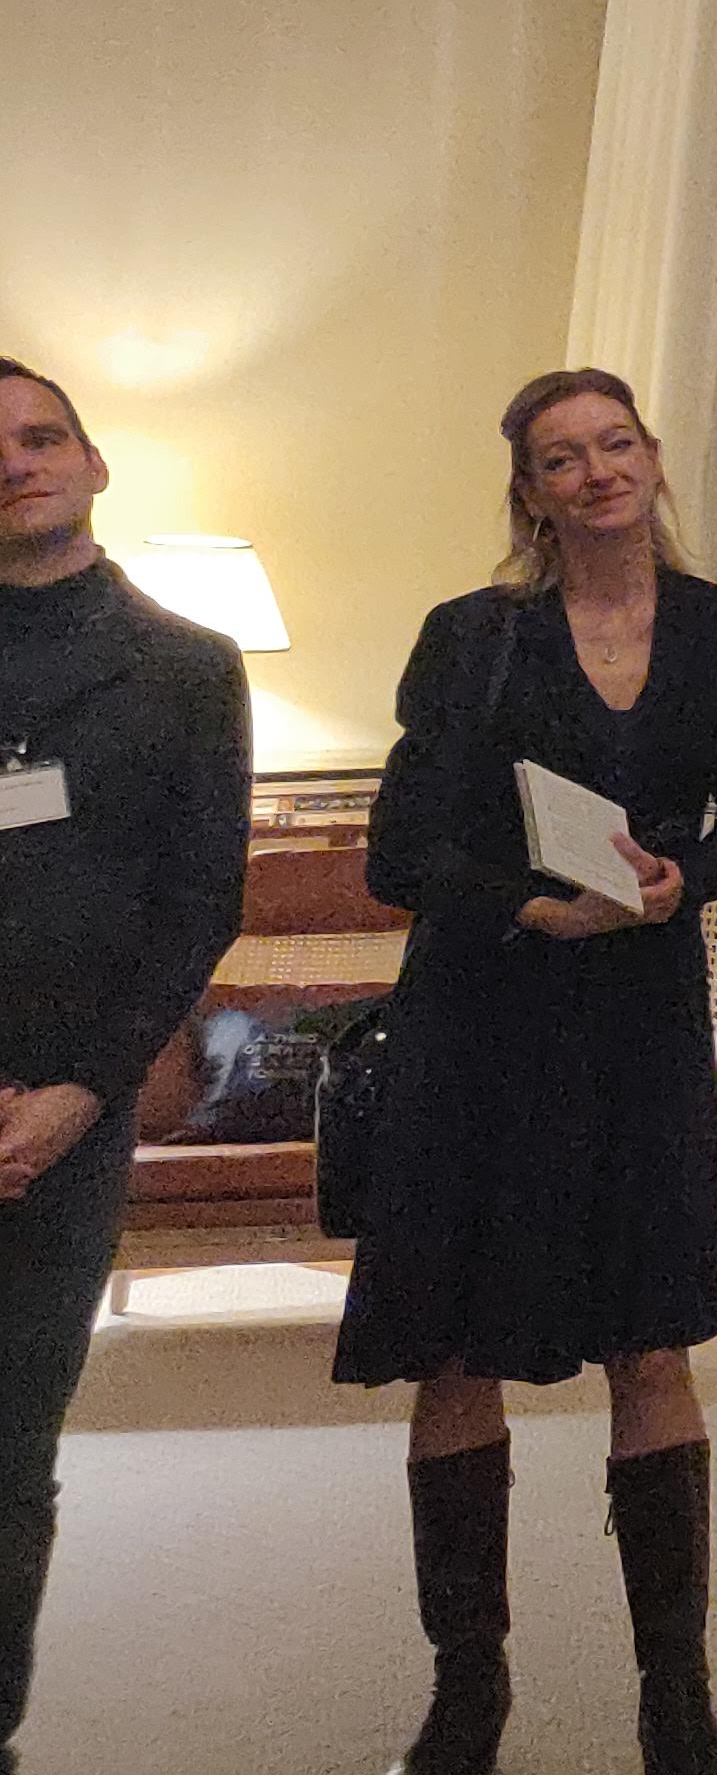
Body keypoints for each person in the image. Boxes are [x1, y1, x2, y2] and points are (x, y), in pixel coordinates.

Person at [336, 369, 717, 1775]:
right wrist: (528, 905)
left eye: (615, 445)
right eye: (562, 458)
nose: (596, 473)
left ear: (651, 458)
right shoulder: (473, 636)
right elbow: (397, 852)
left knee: (651, 1338)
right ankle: (467, 1692)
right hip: (485, 1010)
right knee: (459, 1345)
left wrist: (678, 881)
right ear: (529, 491)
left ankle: (678, 1702)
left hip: (642, 1010)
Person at [0, 360, 248, 1775]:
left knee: (6, 1448)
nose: (17, 463)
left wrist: (82, 1091)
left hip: (65, 1109)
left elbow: (197, 903)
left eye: (44, 439)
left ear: (94, 466)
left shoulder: (184, 669)